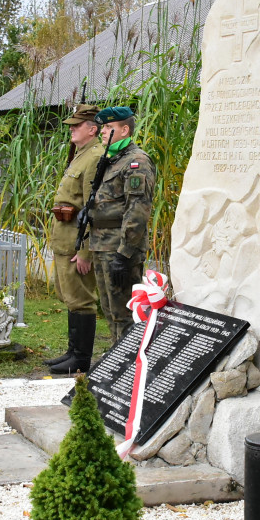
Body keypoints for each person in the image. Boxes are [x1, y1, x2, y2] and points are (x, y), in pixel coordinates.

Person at [44, 104, 106, 374]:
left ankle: (80, 359)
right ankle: (72, 352)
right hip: (65, 236)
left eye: (77, 125)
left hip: (77, 241)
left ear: (92, 129)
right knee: (71, 297)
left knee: (82, 299)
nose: (71, 128)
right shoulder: (80, 154)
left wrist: (86, 251)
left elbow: (95, 207)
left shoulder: (94, 157)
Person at [88, 106, 156, 346]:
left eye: (109, 127)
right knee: (109, 309)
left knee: (125, 313)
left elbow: (137, 210)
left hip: (120, 248)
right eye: (103, 127)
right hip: (101, 243)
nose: (103, 132)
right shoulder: (111, 160)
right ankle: (118, 359)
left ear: (124, 129)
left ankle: (130, 366)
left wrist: (124, 253)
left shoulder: (137, 162)